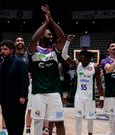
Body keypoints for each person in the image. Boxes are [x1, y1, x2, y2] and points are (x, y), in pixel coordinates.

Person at [27, 4, 66, 135]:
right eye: (48, 34)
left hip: (54, 91)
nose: (51, 36)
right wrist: (45, 24)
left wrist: (51, 20)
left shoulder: (54, 50)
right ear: (42, 35)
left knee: (59, 121)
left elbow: (63, 38)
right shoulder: (34, 50)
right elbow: (33, 39)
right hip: (38, 91)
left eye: (51, 35)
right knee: (38, 121)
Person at [61, 35, 104, 135]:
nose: (78, 57)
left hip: (90, 98)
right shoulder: (77, 64)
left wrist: (101, 98)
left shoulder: (95, 67)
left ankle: (90, 133)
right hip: (79, 97)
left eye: (80, 55)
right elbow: (64, 55)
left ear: (87, 58)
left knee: (90, 119)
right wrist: (67, 42)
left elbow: (99, 83)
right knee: (78, 118)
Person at [0, 39, 28, 135]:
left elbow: (25, 80)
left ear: (12, 50)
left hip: (17, 100)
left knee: (18, 124)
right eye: (1, 49)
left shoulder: (19, 62)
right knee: (9, 124)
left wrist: (23, 95)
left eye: (5, 49)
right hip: (4, 100)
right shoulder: (1, 64)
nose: (2, 51)